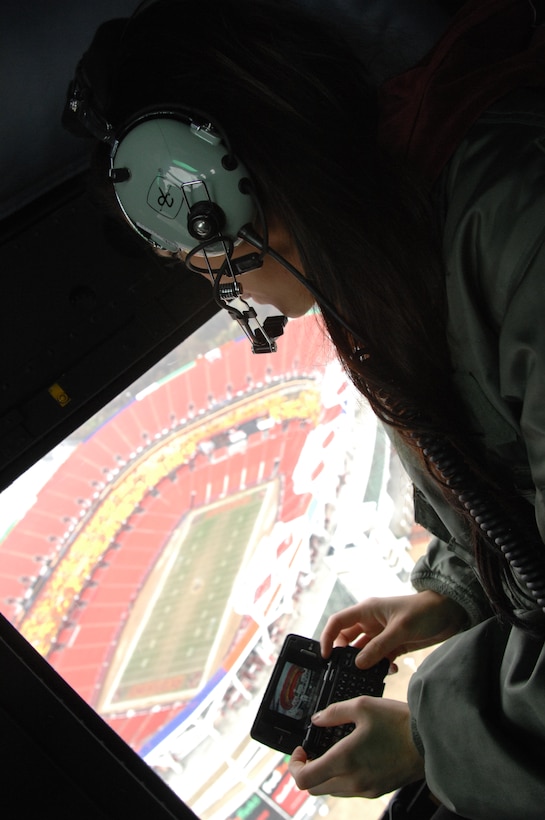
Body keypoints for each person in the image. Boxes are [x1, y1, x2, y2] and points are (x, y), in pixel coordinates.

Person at [64, 0, 545, 817]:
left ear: (216, 199)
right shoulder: (402, 253)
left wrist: (429, 739)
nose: (218, 281)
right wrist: (455, 587)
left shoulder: (515, 224)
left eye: (200, 254)